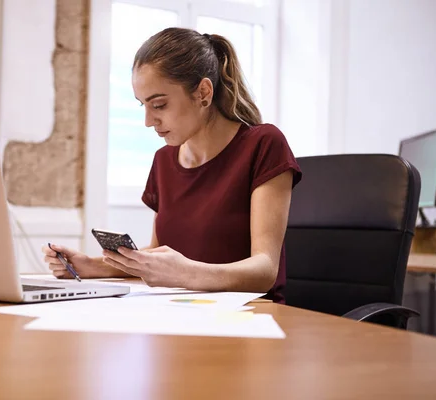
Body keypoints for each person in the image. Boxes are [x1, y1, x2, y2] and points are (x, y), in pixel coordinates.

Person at [42, 27, 301, 302]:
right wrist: (90, 266)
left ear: (203, 92)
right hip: (182, 312)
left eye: (160, 105)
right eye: (143, 105)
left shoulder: (264, 144)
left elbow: (265, 269)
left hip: (249, 318)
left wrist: (185, 273)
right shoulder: (163, 160)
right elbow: (156, 253)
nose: (148, 120)